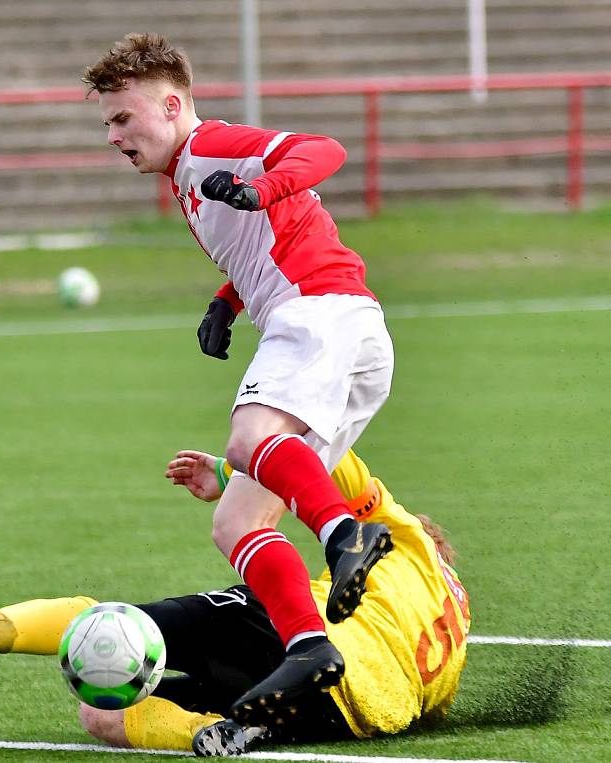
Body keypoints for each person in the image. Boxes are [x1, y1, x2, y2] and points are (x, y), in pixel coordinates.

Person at [82, 33, 395, 721]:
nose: (113, 135)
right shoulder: (186, 178)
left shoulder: (209, 148)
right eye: (107, 122)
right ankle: (310, 644)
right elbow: (265, 237)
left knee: (248, 436)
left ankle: (347, 535)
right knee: (237, 518)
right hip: (344, 330)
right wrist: (227, 302)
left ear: (171, 105)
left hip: (319, 313)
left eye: (123, 118)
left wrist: (262, 184)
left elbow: (322, 152)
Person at [0, 449, 470, 757]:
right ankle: (230, 730)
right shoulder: (455, 635)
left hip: (298, 641)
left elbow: (315, 450)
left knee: (116, 628)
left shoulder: (403, 534)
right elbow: (427, 713)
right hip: (349, 716)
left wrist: (226, 467)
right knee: (103, 712)